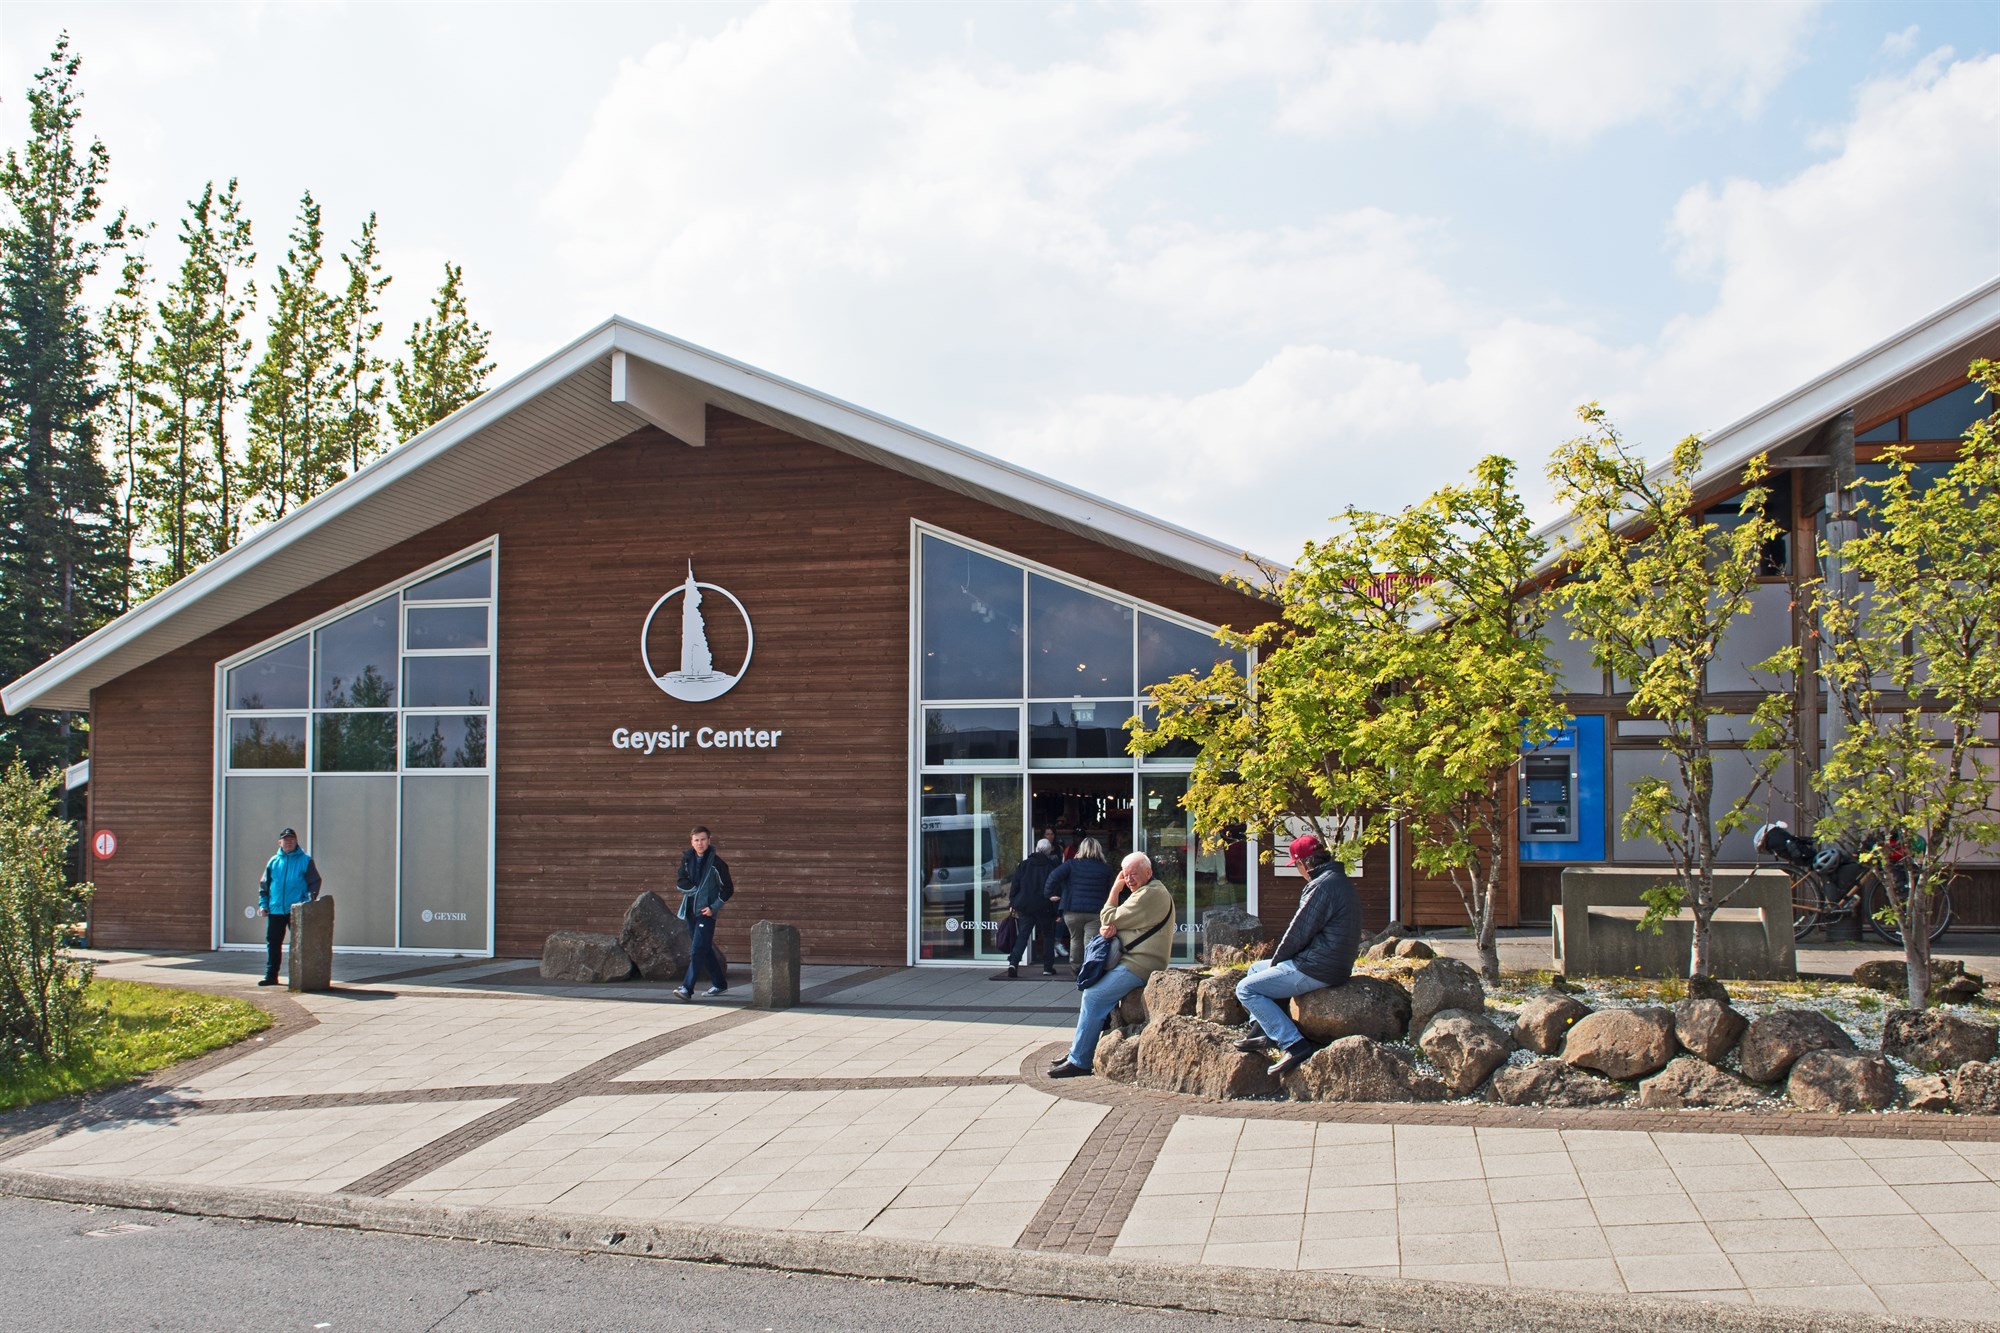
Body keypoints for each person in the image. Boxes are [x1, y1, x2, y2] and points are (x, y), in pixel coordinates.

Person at [1234, 833, 1360, 1076]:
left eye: (1297, 866)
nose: (1298, 871)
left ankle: (1293, 1043)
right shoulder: (1338, 880)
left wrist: (1278, 962)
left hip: (1316, 967)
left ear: (1304, 863)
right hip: (1334, 963)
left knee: (1246, 988)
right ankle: (1262, 1032)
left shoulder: (1320, 886)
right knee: (1255, 969)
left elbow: (1298, 932)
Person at [1048, 852, 1174, 1078]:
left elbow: (1108, 917)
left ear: (1149, 872)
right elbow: (1122, 923)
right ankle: (1077, 1051)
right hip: (1135, 959)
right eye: (1125, 875)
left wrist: (1115, 890)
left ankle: (1080, 1061)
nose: (1130, 879)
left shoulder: (1149, 894)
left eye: (1134, 873)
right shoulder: (1148, 891)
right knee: (1092, 993)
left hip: (1140, 963)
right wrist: (1112, 928)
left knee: (1094, 995)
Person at [673, 825, 735, 1000]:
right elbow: (680, 881)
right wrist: (695, 891)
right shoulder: (686, 859)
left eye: (703, 839)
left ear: (709, 841)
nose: (700, 843)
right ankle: (720, 984)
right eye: (696, 840)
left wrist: (713, 907)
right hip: (690, 911)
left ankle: (687, 988)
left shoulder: (717, 863)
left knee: (697, 949)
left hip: (706, 913)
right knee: (704, 948)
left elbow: (728, 889)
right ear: (692, 842)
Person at [256, 827, 322, 987]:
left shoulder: (305, 860)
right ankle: (271, 976)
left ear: (296, 841)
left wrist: (307, 902)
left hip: (296, 910)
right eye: (286, 839)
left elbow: (314, 882)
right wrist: (263, 905)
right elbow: (264, 885)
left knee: (299, 943)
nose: (289, 842)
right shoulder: (273, 861)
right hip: (276, 909)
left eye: (292, 839)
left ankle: (301, 977)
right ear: (280, 842)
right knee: (273, 942)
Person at [1046, 837, 1114, 972]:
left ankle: (1076, 968)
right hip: (1095, 912)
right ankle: (1089, 970)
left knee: (1075, 940)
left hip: (1072, 910)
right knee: (1090, 942)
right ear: (1098, 850)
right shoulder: (1105, 869)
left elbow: (1053, 876)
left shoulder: (1071, 864)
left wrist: (1049, 894)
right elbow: (1112, 890)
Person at [1001, 838, 1063, 979]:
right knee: (1048, 935)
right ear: (1049, 851)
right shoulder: (1051, 866)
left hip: (1026, 905)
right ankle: (1047, 967)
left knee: (1023, 935)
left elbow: (1015, 884)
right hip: (1045, 906)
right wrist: (1058, 909)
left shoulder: (1024, 865)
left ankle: (1014, 963)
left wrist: (1013, 902)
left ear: (1036, 848)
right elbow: (1056, 887)